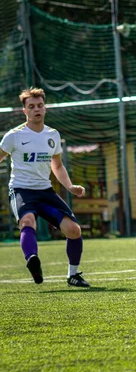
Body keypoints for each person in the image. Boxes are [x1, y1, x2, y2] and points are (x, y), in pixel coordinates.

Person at [0, 87, 89, 287]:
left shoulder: (53, 135)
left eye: (40, 105)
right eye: (31, 106)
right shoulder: (14, 136)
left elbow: (57, 165)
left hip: (45, 191)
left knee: (73, 230)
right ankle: (33, 260)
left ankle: (73, 276)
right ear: (25, 111)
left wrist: (70, 186)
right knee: (27, 221)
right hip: (22, 190)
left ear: (45, 108)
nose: (36, 109)